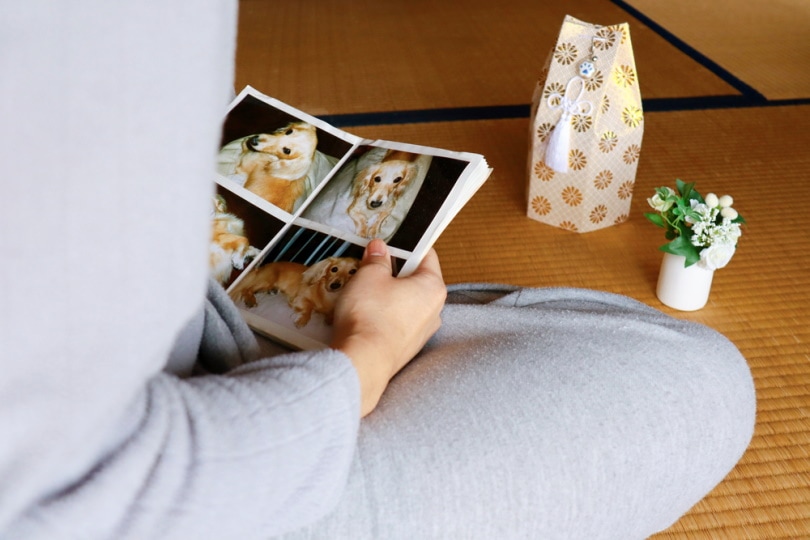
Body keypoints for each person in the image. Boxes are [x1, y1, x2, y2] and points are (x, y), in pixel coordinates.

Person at [1, 1, 755, 539]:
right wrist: (365, 358)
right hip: (158, 488)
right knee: (697, 377)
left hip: (112, 365)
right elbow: (84, 490)